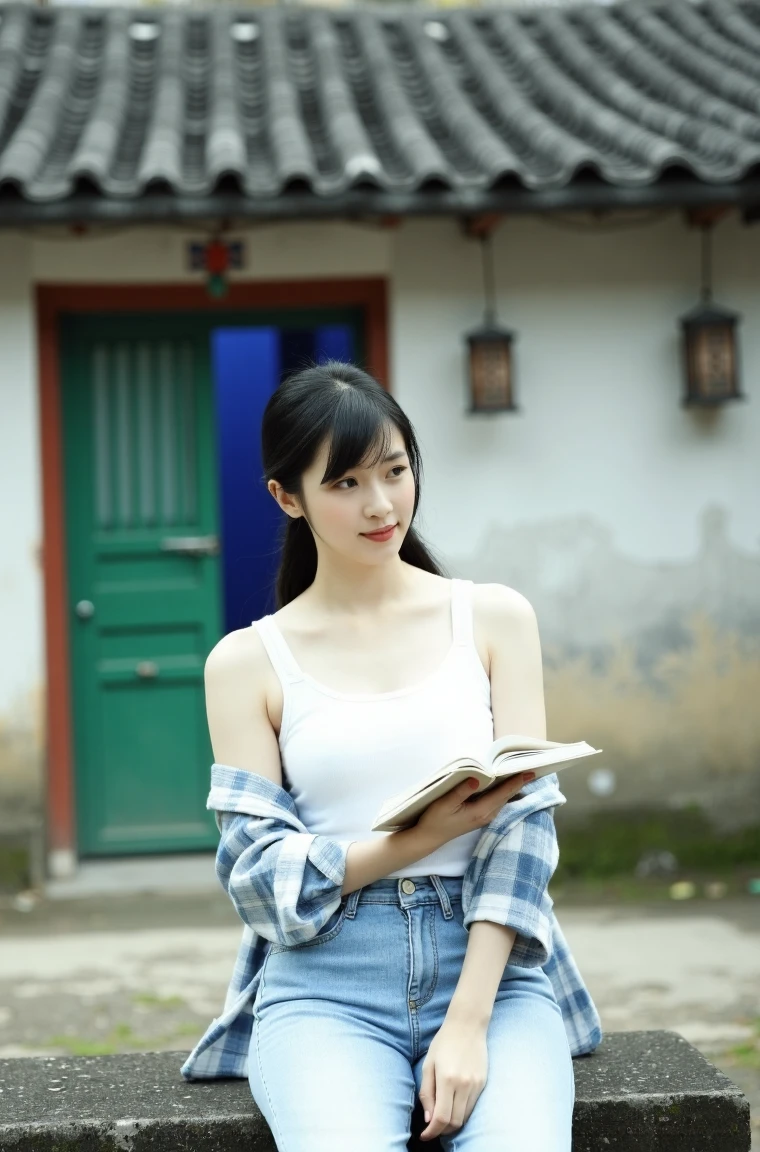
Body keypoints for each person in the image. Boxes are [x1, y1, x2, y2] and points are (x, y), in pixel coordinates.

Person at [179, 361, 602, 1150]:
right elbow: (260, 881)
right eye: (344, 483)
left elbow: (523, 831)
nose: (380, 505)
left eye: (395, 471)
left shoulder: (493, 618)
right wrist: (422, 837)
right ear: (287, 497)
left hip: (493, 977)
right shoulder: (247, 663)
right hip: (324, 987)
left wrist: (469, 1024)